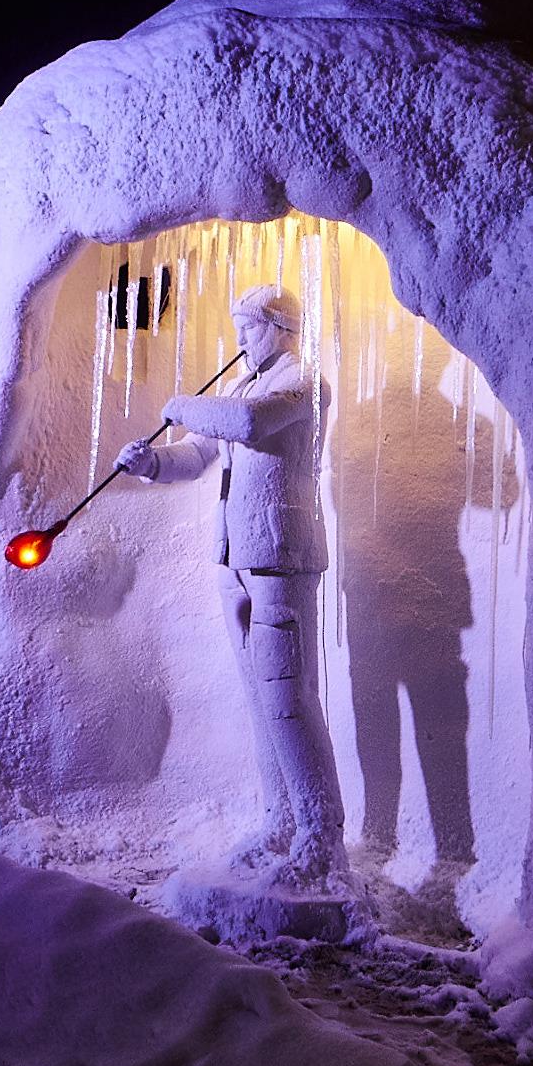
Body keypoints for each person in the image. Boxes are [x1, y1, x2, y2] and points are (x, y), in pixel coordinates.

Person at [115, 284, 347, 887]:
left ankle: (321, 837)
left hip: (280, 557)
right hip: (234, 560)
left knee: (290, 702)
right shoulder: (244, 386)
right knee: (259, 702)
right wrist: (153, 465)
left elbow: (245, 424)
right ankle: (280, 823)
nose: (239, 340)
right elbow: (198, 456)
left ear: (278, 326)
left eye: (246, 327)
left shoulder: (303, 383)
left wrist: (182, 403)